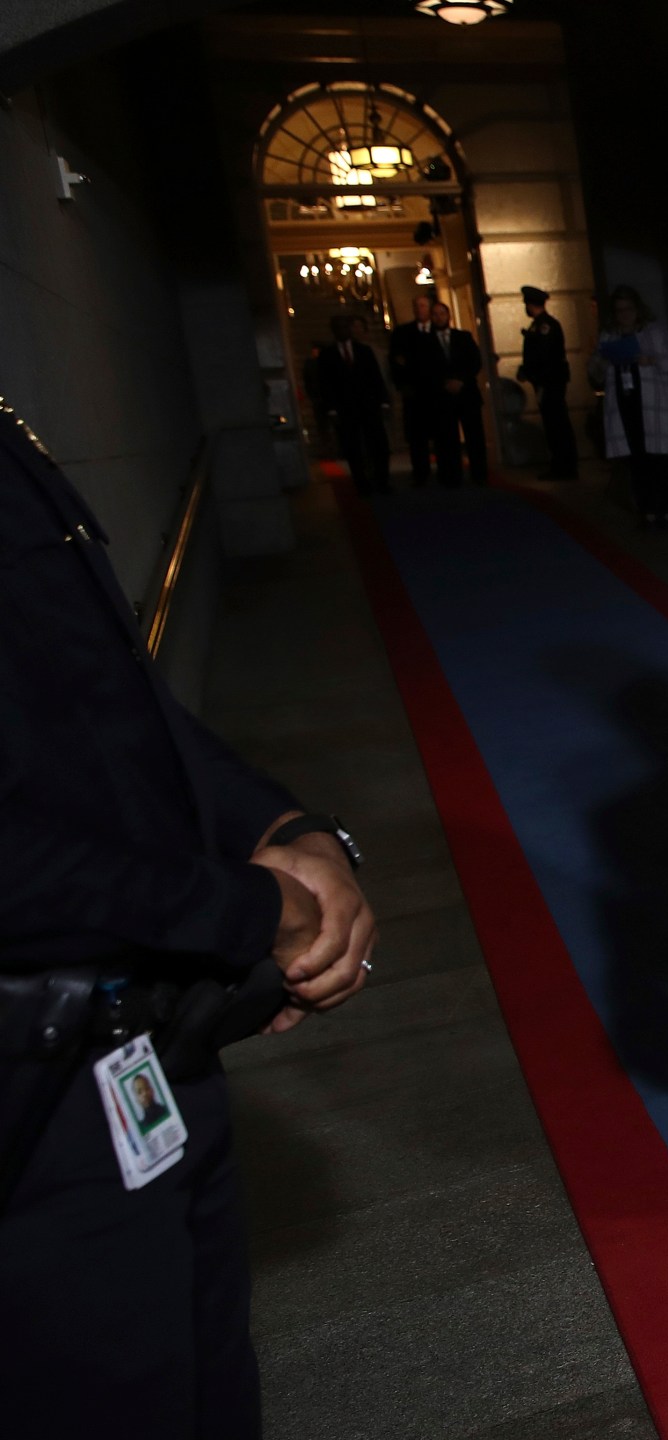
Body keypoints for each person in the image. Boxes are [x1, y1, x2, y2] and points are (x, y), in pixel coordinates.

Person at [0, 395, 376, 1437]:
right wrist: (249, 911)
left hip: (142, 1051)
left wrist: (285, 824)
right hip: (32, 1106)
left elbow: (108, 707)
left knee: (205, 1386)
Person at [590, 286, 668, 528]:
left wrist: (651, 359)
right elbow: (594, 371)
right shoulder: (610, 335)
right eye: (619, 310)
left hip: (653, 405)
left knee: (658, 459)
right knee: (637, 461)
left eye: (628, 309)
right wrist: (603, 361)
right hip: (625, 405)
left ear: (637, 309)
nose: (624, 315)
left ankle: (666, 510)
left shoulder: (654, 332)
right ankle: (647, 511)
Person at [305, 313, 391, 493]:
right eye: (339, 327)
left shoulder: (363, 351)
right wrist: (331, 409)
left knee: (378, 444)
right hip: (345, 408)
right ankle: (361, 483)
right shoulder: (328, 355)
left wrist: (383, 401)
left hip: (368, 405)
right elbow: (325, 383)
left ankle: (382, 480)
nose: (343, 330)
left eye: (346, 327)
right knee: (352, 448)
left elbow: (375, 378)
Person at [421, 301, 488, 486]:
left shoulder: (463, 337)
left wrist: (461, 380)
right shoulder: (425, 342)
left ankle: (479, 474)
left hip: (466, 394)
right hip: (441, 397)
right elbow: (424, 369)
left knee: (474, 436)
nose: (439, 317)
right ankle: (451, 475)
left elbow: (475, 361)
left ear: (448, 316)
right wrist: (444, 383)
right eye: (435, 314)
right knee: (446, 438)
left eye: (442, 313)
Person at [517, 284, 579, 479]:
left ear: (530, 304)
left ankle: (564, 466)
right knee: (554, 423)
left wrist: (532, 373)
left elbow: (545, 356)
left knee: (557, 424)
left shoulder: (545, 325)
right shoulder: (539, 325)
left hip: (550, 382)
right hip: (546, 381)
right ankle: (561, 464)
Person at [387, 295, 437, 483]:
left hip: (436, 393)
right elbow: (396, 362)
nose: (420, 309)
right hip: (414, 393)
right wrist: (403, 385)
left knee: (440, 432)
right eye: (417, 306)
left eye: (423, 306)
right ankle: (420, 471)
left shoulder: (437, 330)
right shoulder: (402, 333)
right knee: (417, 436)